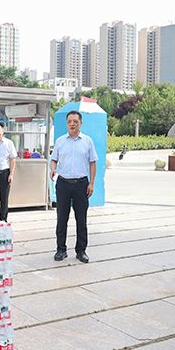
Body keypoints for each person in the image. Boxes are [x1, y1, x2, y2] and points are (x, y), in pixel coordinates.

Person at [50, 110, 98, 264]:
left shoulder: (87, 141)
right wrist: (53, 169)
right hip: (63, 184)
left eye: (75, 121)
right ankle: (61, 250)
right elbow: (54, 160)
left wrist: (91, 183)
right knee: (61, 218)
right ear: (67, 123)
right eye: (70, 121)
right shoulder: (60, 141)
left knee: (81, 219)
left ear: (80, 123)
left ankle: (81, 251)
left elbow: (92, 163)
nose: (72, 124)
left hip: (81, 184)